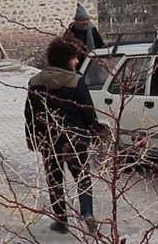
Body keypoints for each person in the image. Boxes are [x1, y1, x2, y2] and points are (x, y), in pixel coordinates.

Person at [24, 36, 104, 233]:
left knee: (54, 178)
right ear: (66, 58)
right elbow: (88, 111)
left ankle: (61, 222)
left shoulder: (35, 81)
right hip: (75, 139)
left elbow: (29, 113)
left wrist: (30, 137)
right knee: (82, 176)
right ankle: (87, 213)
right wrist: (96, 133)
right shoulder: (77, 81)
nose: (77, 61)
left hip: (48, 139)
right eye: (75, 57)